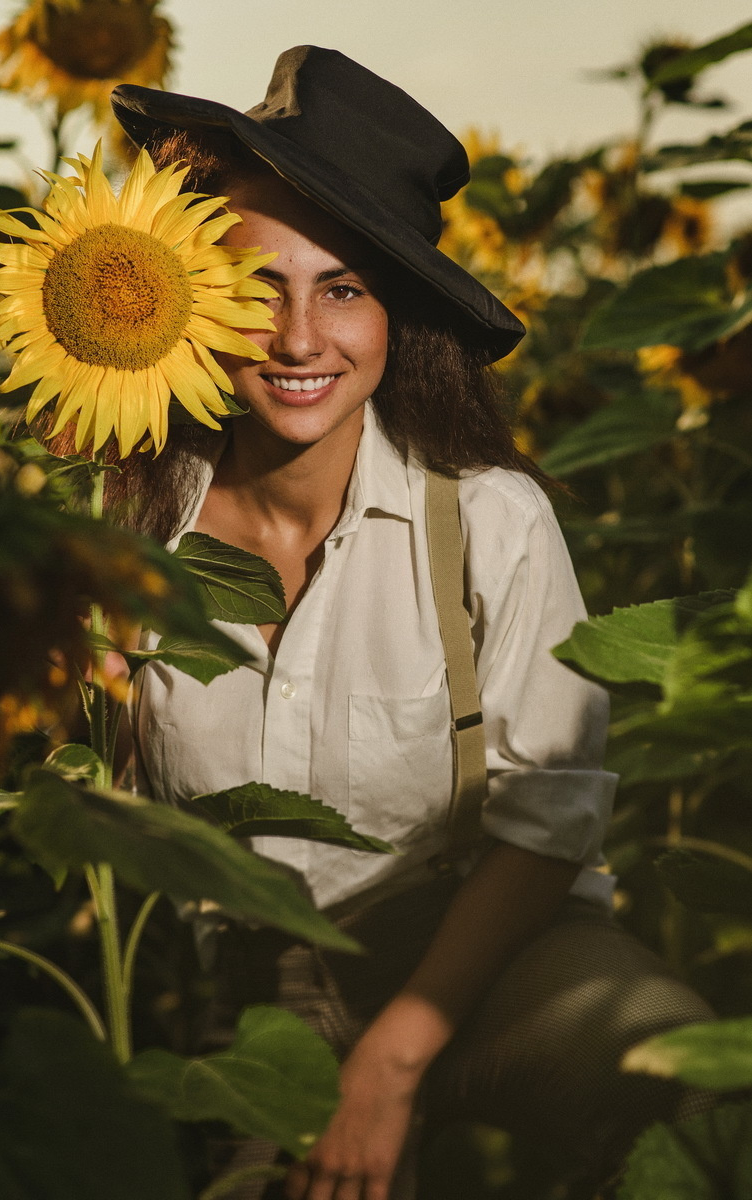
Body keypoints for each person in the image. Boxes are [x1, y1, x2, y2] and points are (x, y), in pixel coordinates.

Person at [110, 47, 713, 1200]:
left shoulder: (492, 520)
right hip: (250, 992)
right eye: (256, 287)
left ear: (401, 314)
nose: (297, 339)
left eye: (343, 287)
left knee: (661, 1057)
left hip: (493, 953)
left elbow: (549, 817)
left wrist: (390, 1063)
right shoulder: (132, 534)